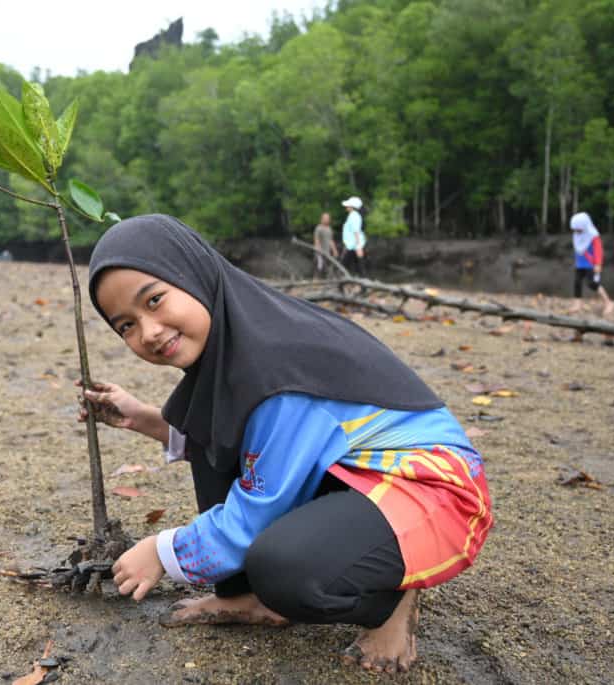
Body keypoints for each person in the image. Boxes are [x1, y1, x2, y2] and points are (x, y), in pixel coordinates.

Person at [81, 214, 492, 674]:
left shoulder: (273, 367)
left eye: (155, 300)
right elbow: (232, 436)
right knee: (208, 427)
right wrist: (143, 419)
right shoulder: (233, 342)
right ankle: (245, 595)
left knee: (286, 569)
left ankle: (392, 599)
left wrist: (162, 551)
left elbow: (257, 509)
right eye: (126, 326)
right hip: (352, 473)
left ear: (193, 274)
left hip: (430, 487)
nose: (149, 331)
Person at [568, 212, 614, 317]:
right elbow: (578, 249)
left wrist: (598, 264)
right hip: (580, 263)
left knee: (592, 283)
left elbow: (598, 250)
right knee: (577, 282)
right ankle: (577, 304)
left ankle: (608, 302)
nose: (576, 231)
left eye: (578, 229)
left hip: (590, 263)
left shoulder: (593, 235)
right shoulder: (576, 235)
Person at [340, 196, 367, 277]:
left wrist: (358, 246)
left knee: (344, 264)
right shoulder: (353, 215)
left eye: (348, 205)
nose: (346, 207)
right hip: (352, 245)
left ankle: (362, 282)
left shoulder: (354, 216)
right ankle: (361, 281)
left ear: (352, 207)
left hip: (354, 245)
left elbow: (356, 231)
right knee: (356, 265)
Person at [312, 212, 338, 277]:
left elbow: (331, 240)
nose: (327, 220)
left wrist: (334, 250)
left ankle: (326, 280)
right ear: (322, 219)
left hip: (327, 252)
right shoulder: (318, 228)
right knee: (319, 266)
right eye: (325, 218)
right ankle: (315, 280)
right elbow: (316, 239)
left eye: (328, 218)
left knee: (327, 267)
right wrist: (318, 249)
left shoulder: (329, 229)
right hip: (320, 252)